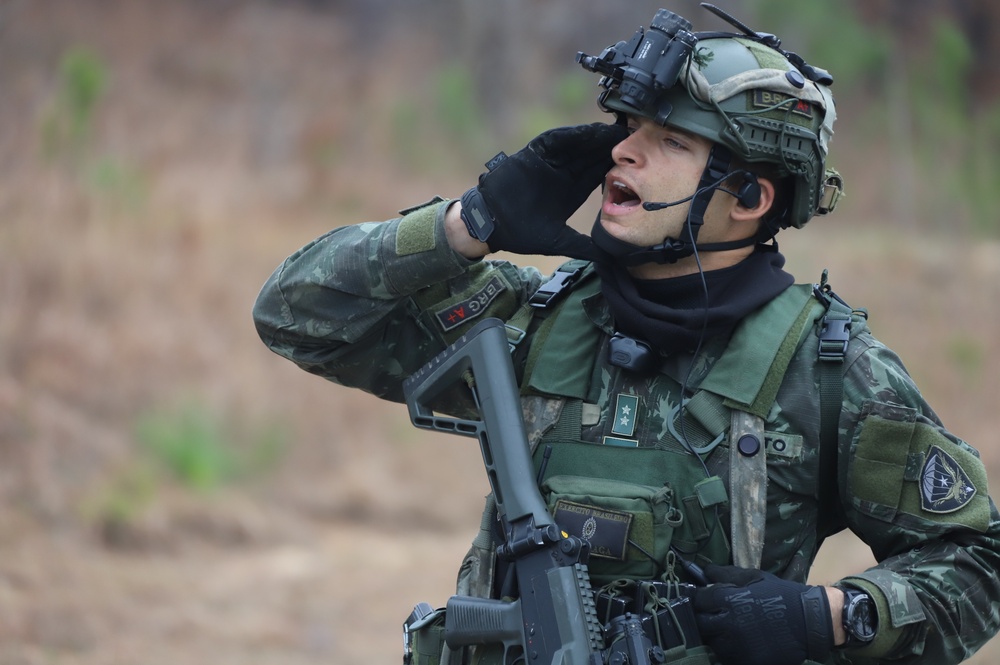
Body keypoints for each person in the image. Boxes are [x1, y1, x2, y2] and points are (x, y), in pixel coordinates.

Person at [253, 6, 1000, 665]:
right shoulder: (530, 319)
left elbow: (975, 561)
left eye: (670, 140)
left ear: (749, 196)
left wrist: (826, 617)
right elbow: (293, 313)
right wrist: (467, 224)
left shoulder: (829, 368)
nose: (623, 153)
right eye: (628, 130)